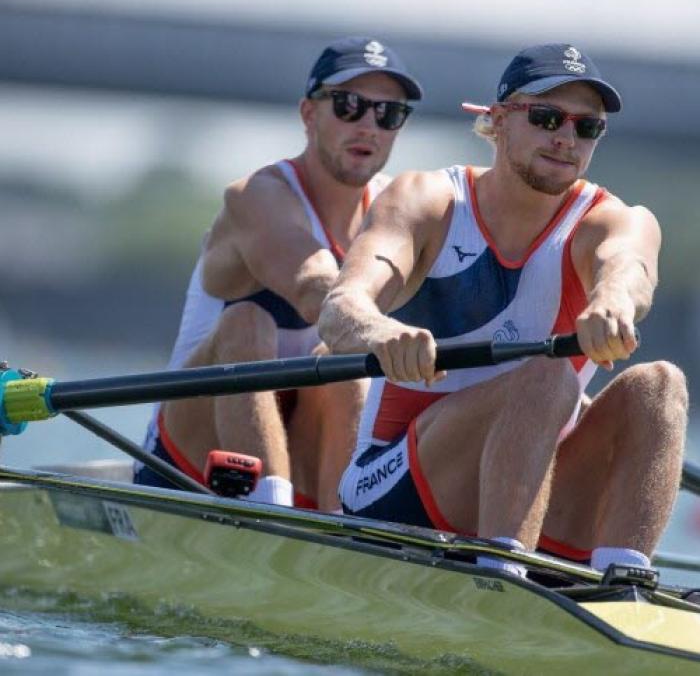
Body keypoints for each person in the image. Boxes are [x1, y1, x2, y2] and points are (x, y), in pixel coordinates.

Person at [318, 43, 688, 574]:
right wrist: (379, 333)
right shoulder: (428, 201)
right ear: (496, 121)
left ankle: (624, 583)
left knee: (661, 385)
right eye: (546, 117)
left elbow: (628, 271)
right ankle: (500, 576)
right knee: (547, 378)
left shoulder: (615, 221)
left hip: (532, 480)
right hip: (394, 488)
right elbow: (341, 307)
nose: (566, 138)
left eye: (588, 127)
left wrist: (611, 301)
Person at [134, 36, 423, 511]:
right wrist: (396, 336)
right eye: (349, 106)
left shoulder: (399, 213)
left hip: (309, 448)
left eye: (388, 114)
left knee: (343, 367)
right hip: (185, 456)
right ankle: (272, 510)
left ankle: (340, 530)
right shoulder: (257, 197)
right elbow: (318, 293)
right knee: (247, 322)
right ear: (309, 114)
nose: (369, 125)